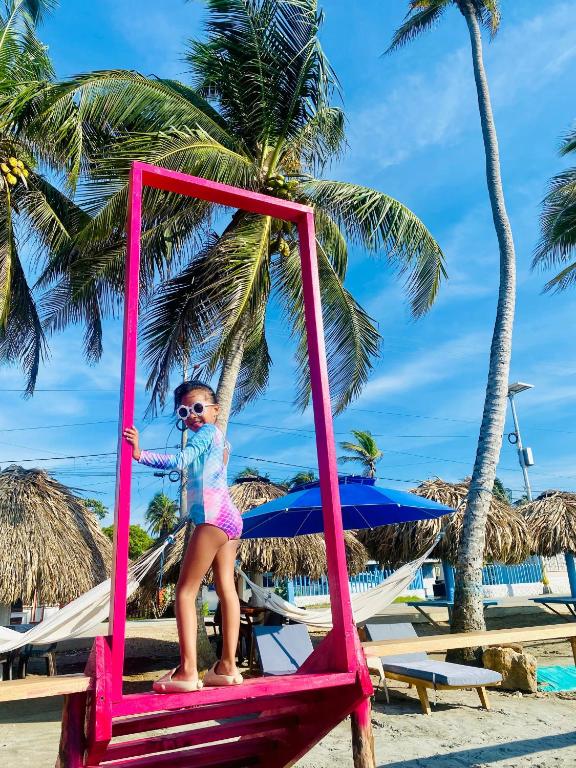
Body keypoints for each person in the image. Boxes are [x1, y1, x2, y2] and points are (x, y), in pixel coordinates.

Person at [124, 380, 243, 692]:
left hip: (215, 518)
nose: (192, 415)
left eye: (199, 408)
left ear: (216, 411)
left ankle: (189, 670)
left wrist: (140, 454)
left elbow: (180, 460)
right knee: (226, 589)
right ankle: (227, 667)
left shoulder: (205, 434)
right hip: (231, 519)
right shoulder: (221, 440)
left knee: (185, 592)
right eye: (185, 411)